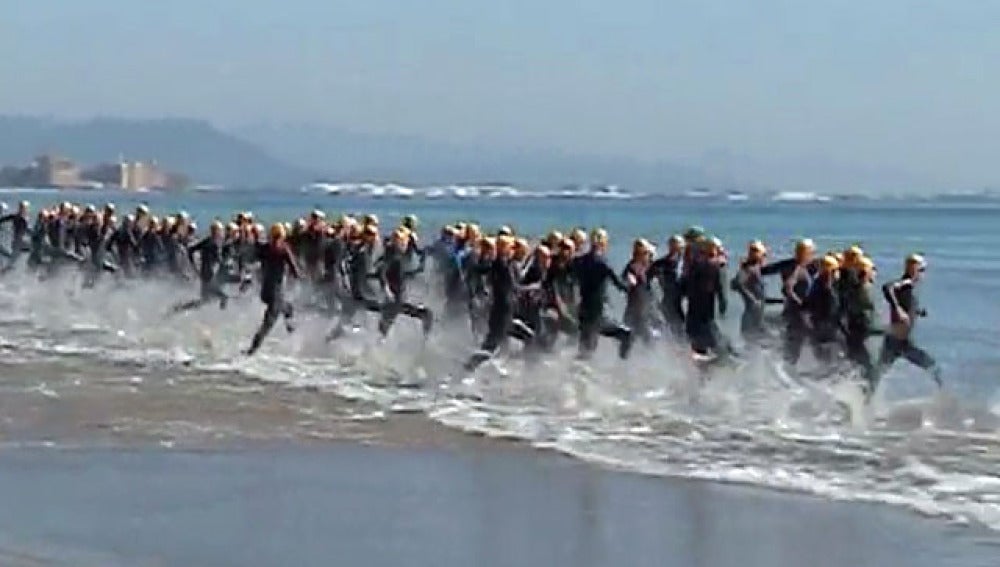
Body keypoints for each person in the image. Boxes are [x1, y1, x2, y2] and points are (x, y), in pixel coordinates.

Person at [875, 253, 941, 391]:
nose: (923, 274)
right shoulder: (906, 282)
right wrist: (898, 309)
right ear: (913, 268)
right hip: (897, 341)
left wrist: (917, 312)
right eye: (921, 270)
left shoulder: (909, 287)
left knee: (878, 373)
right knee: (932, 366)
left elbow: (905, 304)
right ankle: (944, 396)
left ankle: (863, 400)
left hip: (900, 340)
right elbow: (887, 287)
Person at [244, 223, 301, 356]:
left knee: (288, 308)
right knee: (267, 324)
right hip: (276, 292)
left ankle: (292, 333)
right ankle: (250, 352)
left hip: (265, 291)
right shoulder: (283, 249)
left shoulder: (264, 248)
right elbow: (295, 271)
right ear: (282, 235)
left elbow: (251, 256)